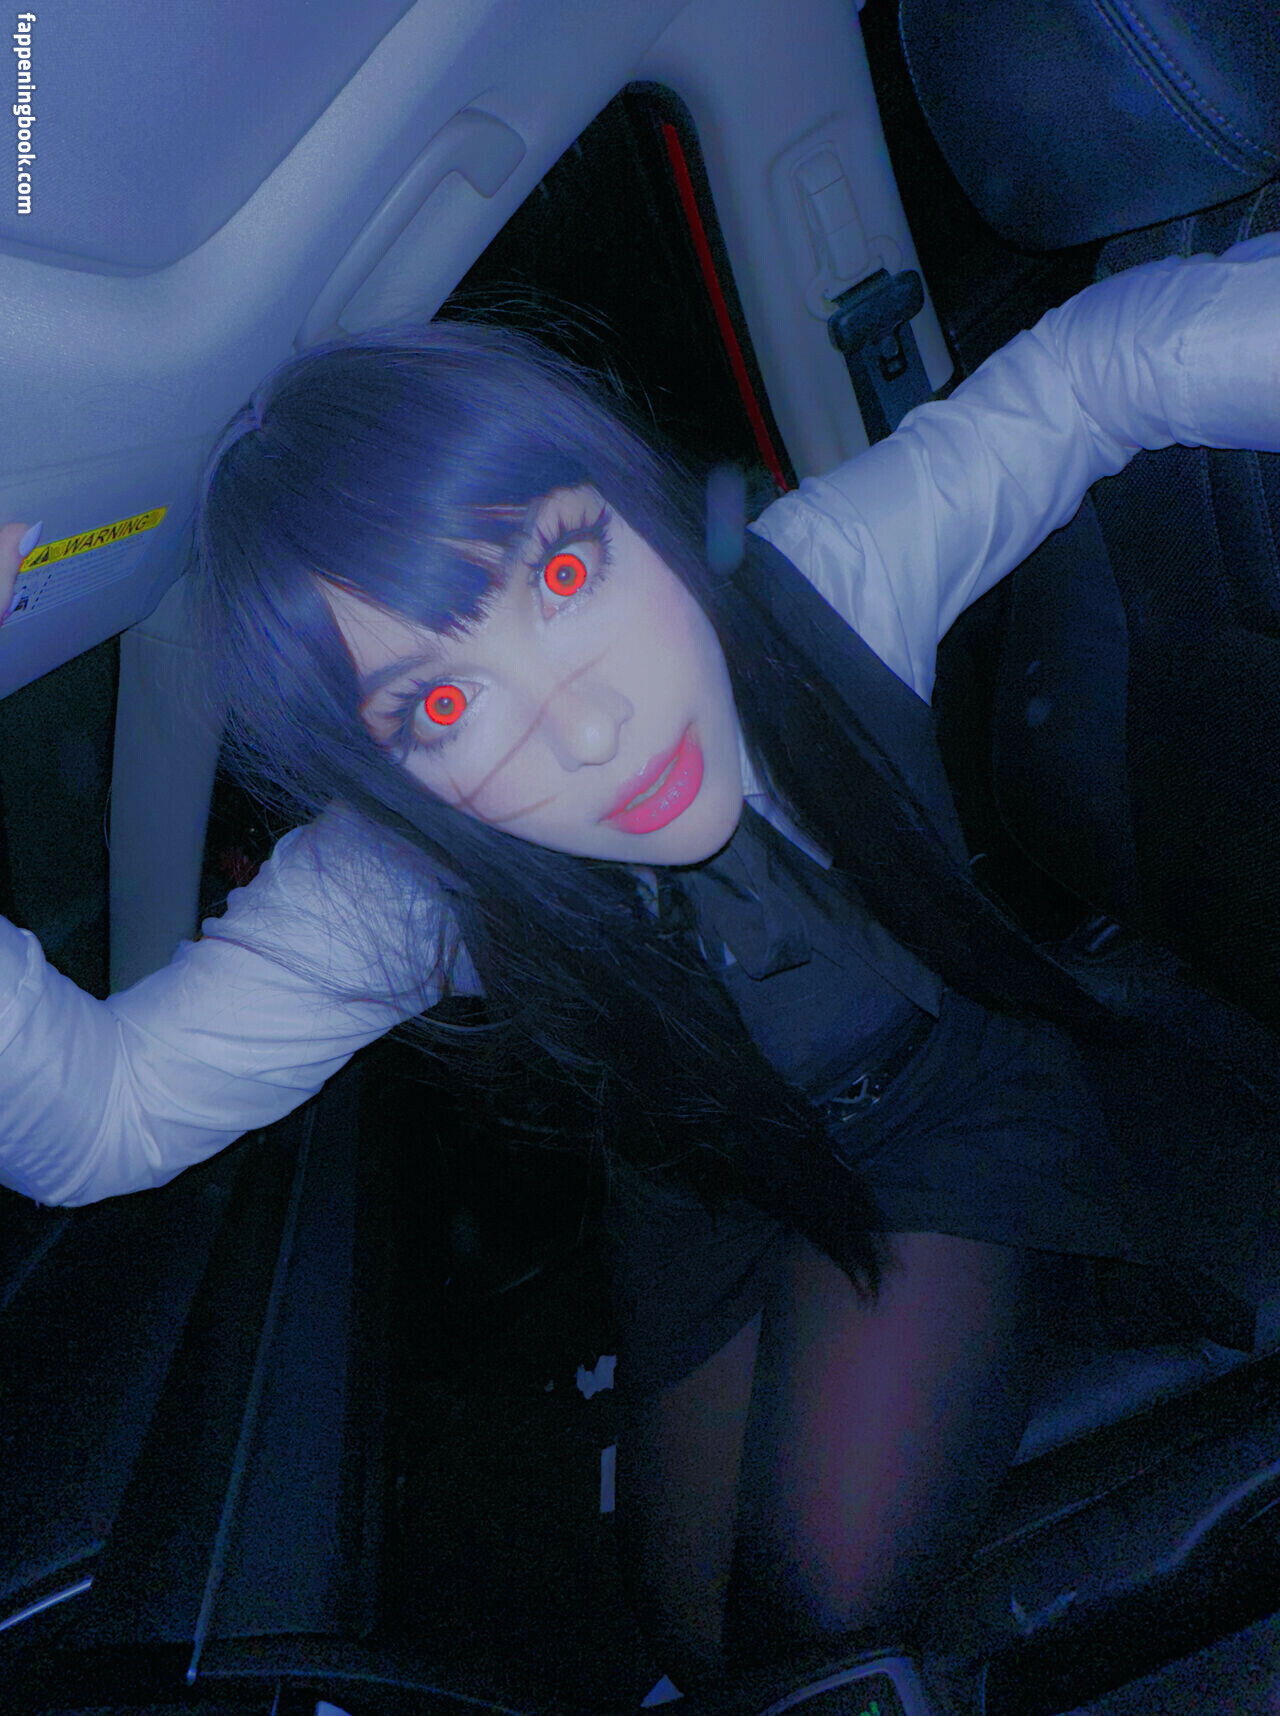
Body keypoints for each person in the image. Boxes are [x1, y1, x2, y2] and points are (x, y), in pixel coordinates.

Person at [0, 235, 1278, 1706]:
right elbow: (109, 1117)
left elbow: (1093, 381)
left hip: (941, 1103)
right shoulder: (397, 882)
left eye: (561, 570)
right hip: (700, 1194)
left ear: (621, 496)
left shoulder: (832, 583)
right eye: (441, 707)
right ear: (380, 769)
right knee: (686, 1630)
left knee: (817, 1608)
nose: (591, 728)